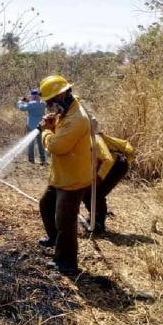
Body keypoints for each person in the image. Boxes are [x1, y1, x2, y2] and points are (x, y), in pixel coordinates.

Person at [37, 75, 93, 273]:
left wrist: (46, 131)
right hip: (61, 176)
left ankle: (67, 262)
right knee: (46, 204)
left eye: (51, 102)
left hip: (72, 180)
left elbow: (57, 146)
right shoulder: (67, 111)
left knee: (65, 221)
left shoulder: (77, 119)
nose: (50, 106)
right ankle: (55, 240)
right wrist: (53, 123)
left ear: (61, 95)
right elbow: (58, 130)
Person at [82, 133, 133, 234]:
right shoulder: (77, 140)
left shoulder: (94, 140)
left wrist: (98, 180)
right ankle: (96, 216)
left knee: (96, 193)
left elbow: (107, 160)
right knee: (88, 193)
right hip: (107, 165)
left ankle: (99, 223)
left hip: (117, 165)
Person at [17, 89, 47, 164]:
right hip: (41, 126)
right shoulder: (43, 103)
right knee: (41, 143)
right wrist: (28, 101)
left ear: (32, 96)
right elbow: (34, 104)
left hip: (31, 126)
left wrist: (20, 102)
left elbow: (22, 108)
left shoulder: (32, 104)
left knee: (30, 143)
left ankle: (31, 159)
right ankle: (43, 159)